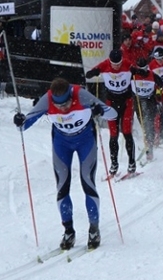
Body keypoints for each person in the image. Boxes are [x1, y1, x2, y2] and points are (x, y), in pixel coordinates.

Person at [13, 78, 117, 250]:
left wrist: (100, 110)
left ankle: (94, 229)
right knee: (62, 187)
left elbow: (112, 114)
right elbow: (22, 127)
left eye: (67, 104)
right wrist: (19, 121)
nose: (63, 109)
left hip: (85, 141)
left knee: (88, 183)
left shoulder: (81, 94)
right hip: (62, 144)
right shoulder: (47, 99)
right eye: (59, 107)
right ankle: (69, 231)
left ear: (70, 95)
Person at [85, 49, 137, 177]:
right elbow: (90, 73)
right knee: (113, 134)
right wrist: (92, 73)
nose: (117, 67)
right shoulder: (105, 65)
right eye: (114, 64)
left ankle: (132, 163)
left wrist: (139, 71)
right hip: (111, 103)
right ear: (110, 61)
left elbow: (138, 71)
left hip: (126, 102)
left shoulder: (127, 64)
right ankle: (114, 165)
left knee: (126, 132)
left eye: (119, 64)